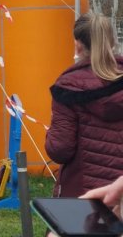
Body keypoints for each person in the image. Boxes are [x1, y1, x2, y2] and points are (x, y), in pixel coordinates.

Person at [45, 12, 123, 198]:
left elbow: (60, 150)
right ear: (111, 41)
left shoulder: (68, 87)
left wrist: (50, 134)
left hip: (84, 193)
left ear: (78, 45)